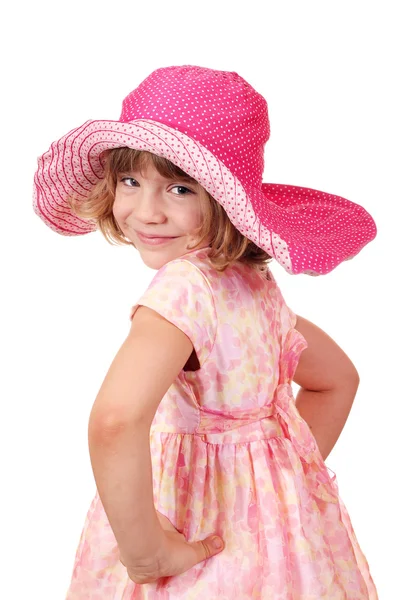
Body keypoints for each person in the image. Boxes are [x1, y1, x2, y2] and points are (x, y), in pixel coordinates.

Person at [33, 65, 379, 599]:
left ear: (224, 200)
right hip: (277, 547)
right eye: (131, 182)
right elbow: (337, 380)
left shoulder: (184, 290)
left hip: (189, 543)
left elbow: (115, 420)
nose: (146, 211)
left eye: (178, 187)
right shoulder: (253, 284)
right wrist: (283, 483)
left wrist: (147, 548)